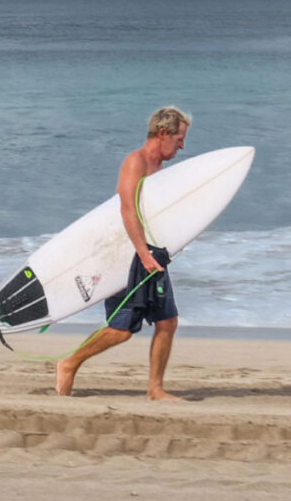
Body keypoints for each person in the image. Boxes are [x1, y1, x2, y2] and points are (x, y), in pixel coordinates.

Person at [55, 107, 192, 400]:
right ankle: (69, 364)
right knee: (121, 329)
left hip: (152, 255)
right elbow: (126, 209)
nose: (182, 145)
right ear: (163, 133)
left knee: (168, 322)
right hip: (126, 256)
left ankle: (155, 389)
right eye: (180, 138)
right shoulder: (136, 161)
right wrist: (142, 254)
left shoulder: (160, 169)